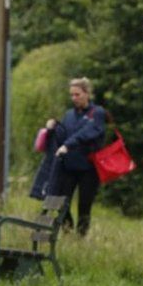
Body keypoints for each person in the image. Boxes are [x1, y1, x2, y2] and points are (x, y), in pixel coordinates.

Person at [44, 77, 107, 236]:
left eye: (77, 94)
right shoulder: (69, 114)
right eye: (72, 95)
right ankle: (67, 230)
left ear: (87, 94)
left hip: (89, 168)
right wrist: (54, 126)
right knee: (62, 204)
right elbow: (62, 136)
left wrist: (68, 145)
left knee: (84, 206)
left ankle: (81, 238)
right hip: (69, 167)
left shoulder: (97, 113)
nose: (74, 98)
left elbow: (88, 133)